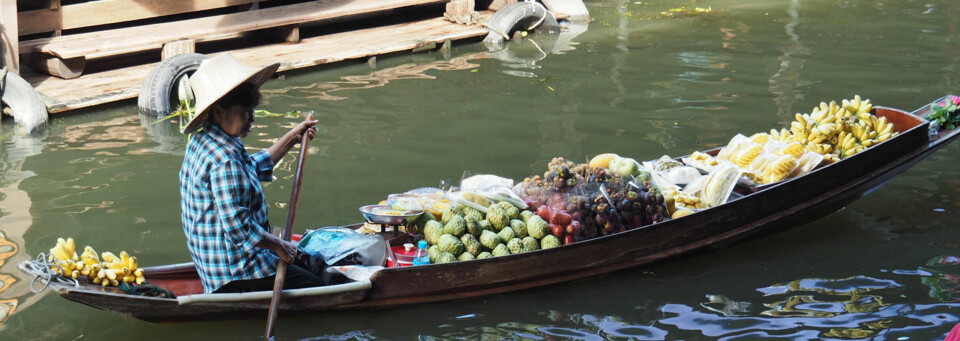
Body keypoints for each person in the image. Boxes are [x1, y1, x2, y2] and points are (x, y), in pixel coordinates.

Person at [178, 53, 322, 294]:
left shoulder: (207, 140)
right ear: (218, 112)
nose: (252, 119)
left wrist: (291, 139)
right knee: (317, 286)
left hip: (222, 263)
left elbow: (250, 168)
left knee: (314, 263)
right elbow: (238, 228)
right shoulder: (224, 160)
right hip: (235, 271)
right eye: (245, 112)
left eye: (252, 110)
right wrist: (279, 246)